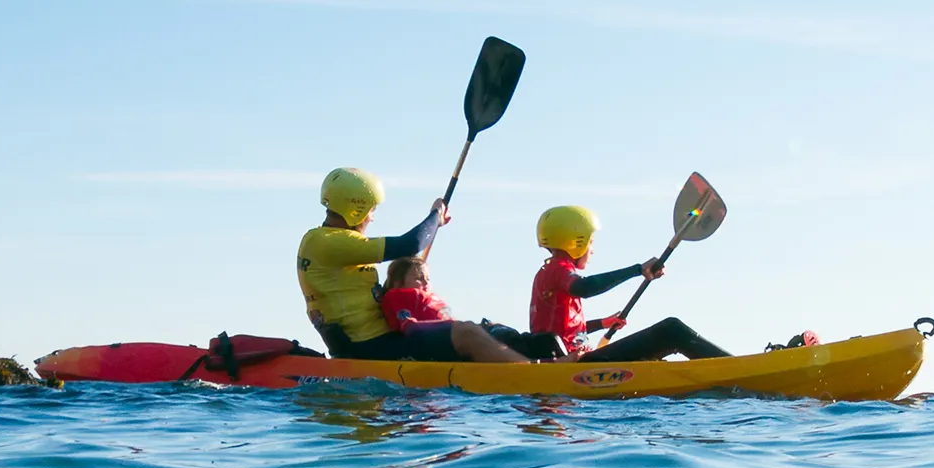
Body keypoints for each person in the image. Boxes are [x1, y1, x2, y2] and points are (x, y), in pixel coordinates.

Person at [297, 168, 530, 364]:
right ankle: (529, 376)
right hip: (372, 347)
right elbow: (411, 244)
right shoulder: (327, 242)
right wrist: (435, 216)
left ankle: (535, 361)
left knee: (487, 328)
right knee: (467, 332)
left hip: (383, 338)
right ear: (356, 208)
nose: (372, 218)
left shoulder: (328, 243)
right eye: (372, 210)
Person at [529, 205, 731, 362]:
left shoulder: (549, 271)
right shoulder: (558, 268)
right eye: (591, 242)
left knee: (667, 335)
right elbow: (585, 287)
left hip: (577, 360)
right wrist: (637, 270)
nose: (592, 250)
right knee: (671, 330)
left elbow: (560, 332)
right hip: (575, 366)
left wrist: (602, 323)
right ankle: (732, 368)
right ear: (576, 241)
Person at [380, 256, 565, 359]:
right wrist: (461, 328)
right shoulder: (398, 295)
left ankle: (569, 361)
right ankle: (541, 367)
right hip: (457, 341)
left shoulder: (427, 296)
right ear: (398, 282)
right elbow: (409, 326)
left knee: (545, 340)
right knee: (540, 341)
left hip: (480, 332)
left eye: (427, 278)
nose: (425, 283)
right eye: (419, 278)